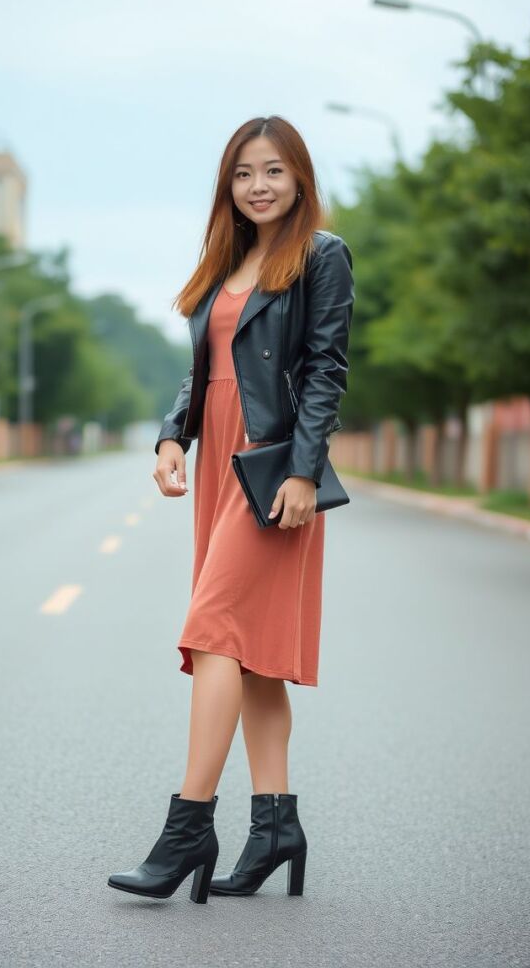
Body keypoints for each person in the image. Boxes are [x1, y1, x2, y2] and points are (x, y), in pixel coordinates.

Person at [108, 115, 355, 903]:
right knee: (244, 654)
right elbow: (205, 366)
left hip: (270, 467)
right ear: (229, 184)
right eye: (245, 172)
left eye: (273, 170)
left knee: (213, 630)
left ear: (299, 179)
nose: (259, 185)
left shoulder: (321, 256)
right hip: (216, 458)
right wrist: (171, 437)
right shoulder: (226, 260)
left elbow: (324, 371)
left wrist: (304, 474)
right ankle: (275, 824)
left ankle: (188, 826)